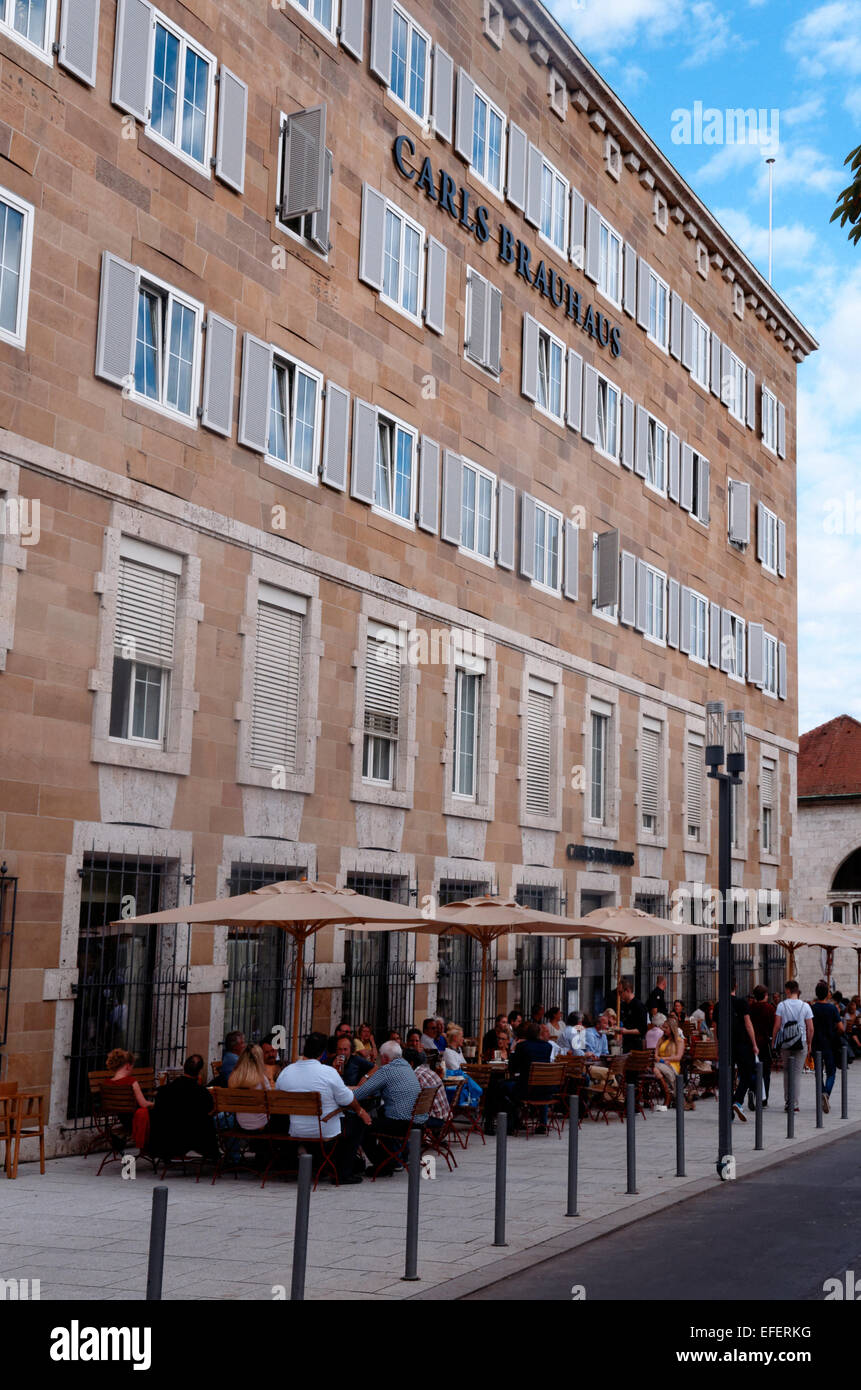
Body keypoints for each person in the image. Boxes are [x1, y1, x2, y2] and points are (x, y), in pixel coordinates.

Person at [277, 1032, 371, 1184]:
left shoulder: (286, 1072)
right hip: (323, 1129)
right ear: (323, 1054)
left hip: (295, 1128)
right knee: (357, 1123)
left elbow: (278, 1096)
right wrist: (361, 1111)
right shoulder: (328, 1072)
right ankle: (343, 1173)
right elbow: (347, 1099)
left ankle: (319, 1164)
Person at [351, 1041, 422, 1176]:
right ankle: (390, 1160)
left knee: (363, 1123)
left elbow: (359, 1094)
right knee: (379, 1115)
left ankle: (382, 1165)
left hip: (401, 1123)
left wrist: (344, 1090)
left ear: (384, 1058)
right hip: (416, 1122)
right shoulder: (407, 1066)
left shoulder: (387, 1070)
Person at [149, 1054, 218, 1162]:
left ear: (184, 1067)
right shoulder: (201, 1093)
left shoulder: (164, 1091)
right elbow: (210, 1109)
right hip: (191, 1136)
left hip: (168, 1138)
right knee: (209, 1120)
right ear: (199, 1071)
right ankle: (213, 1156)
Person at [713, 982, 759, 1123]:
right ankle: (737, 1101)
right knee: (747, 1074)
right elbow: (748, 1024)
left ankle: (729, 1111)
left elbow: (715, 1029)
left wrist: (717, 1047)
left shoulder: (718, 1005)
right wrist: (754, 1043)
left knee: (728, 1077)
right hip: (742, 1044)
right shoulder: (741, 1003)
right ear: (736, 986)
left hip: (726, 1045)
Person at [772, 980, 814, 1114]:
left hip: (785, 1043)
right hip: (800, 1042)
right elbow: (810, 1028)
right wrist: (809, 1043)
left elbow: (777, 1026)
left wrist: (774, 1041)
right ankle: (794, 1103)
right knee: (796, 1074)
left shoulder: (781, 1006)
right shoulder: (805, 1006)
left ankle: (787, 1102)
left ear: (789, 990)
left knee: (787, 1072)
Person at [508, 1022, 553, 1133]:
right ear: (539, 1033)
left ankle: (513, 1123)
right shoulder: (548, 1047)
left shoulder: (522, 1046)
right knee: (540, 1084)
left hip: (527, 1091)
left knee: (503, 1086)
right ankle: (543, 1123)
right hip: (547, 1091)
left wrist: (513, 1051)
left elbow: (513, 1068)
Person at [106, 1048, 153, 1149]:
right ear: (127, 1066)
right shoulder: (131, 1081)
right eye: (132, 1067)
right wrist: (155, 1104)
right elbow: (143, 1104)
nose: (132, 1069)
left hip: (123, 1119)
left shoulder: (107, 1083)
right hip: (135, 1120)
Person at [811, 982, 843, 1113]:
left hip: (816, 1043)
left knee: (818, 1073)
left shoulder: (812, 1008)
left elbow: (809, 1027)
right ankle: (827, 1093)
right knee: (831, 1072)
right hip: (829, 1044)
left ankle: (823, 1091)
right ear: (827, 994)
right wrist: (835, 1033)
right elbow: (841, 1028)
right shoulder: (832, 1008)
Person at [228, 1043, 271, 1139]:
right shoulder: (262, 1079)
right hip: (261, 1125)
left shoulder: (234, 1078)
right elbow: (270, 1103)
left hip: (241, 1124)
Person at [403, 1046, 451, 1131]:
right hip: (444, 1116)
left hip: (433, 1119)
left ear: (411, 1063)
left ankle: (404, 1142)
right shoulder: (425, 1070)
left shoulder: (414, 1076)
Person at [748, 985, 776, 1107]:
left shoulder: (750, 1008)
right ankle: (764, 1099)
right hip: (765, 1043)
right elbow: (774, 1025)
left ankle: (753, 1090)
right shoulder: (770, 1008)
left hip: (752, 1042)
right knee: (766, 1072)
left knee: (753, 1069)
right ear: (765, 995)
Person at [442, 1024, 482, 1107]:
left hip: (463, 1081)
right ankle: (476, 1093)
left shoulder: (459, 1050)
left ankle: (475, 1095)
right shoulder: (448, 1052)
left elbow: (464, 1066)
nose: (463, 1039)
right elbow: (456, 1069)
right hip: (453, 1083)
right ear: (455, 1038)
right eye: (461, 1036)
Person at [654, 1016, 689, 1107]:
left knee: (655, 1068)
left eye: (666, 1027)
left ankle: (668, 1095)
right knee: (655, 1068)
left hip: (673, 1066)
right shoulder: (661, 1040)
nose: (663, 1029)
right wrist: (663, 1060)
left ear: (672, 1028)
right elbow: (656, 1056)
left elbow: (678, 1057)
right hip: (661, 1064)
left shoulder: (679, 1041)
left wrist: (664, 1059)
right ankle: (669, 1094)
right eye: (663, 1027)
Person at [618, 982, 648, 1052]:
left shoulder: (639, 1006)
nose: (619, 995)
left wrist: (627, 1031)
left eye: (621, 992)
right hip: (626, 1043)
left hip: (636, 1044)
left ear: (628, 990)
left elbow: (642, 1030)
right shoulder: (623, 1005)